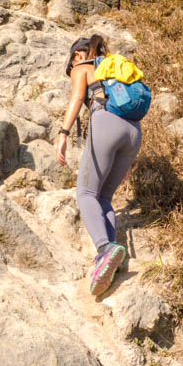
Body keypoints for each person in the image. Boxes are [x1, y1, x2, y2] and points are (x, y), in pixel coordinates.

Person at [55, 34, 143, 296]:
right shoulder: (112, 68)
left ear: (77, 56)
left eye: (71, 61)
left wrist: (63, 133)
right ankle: (111, 255)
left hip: (106, 123)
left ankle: (104, 248)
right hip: (134, 132)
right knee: (104, 196)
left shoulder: (82, 67)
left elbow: (76, 98)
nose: (72, 68)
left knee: (85, 193)